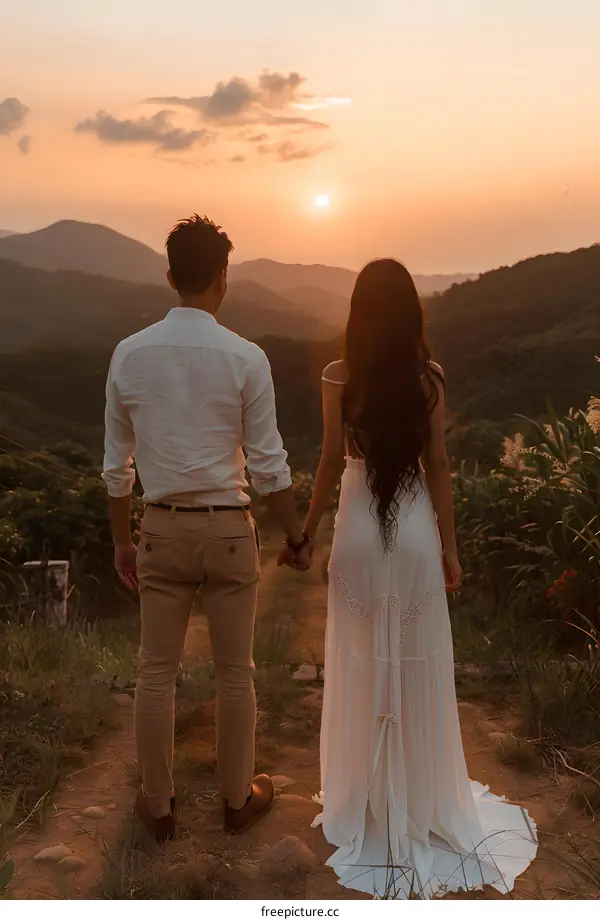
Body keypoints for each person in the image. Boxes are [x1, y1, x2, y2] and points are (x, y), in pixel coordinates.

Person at [280, 259, 538, 898]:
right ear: (411, 313)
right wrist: (450, 549)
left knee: (364, 660)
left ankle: (365, 801)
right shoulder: (431, 380)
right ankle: (420, 801)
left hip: (360, 533)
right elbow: (440, 465)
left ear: (358, 313)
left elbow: (326, 461)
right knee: (417, 662)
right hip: (417, 531)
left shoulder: (339, 377)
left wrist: (305, 530)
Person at [102, 214, 311, 842]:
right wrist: (296, 537)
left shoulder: (128, 354)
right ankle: (236, 800)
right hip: (227, 531)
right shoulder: (248, 357)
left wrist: (121, 540)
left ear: (169, 275)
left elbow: (117, 469)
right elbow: (269, 467)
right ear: (223, 277)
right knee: (234, 673)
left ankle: (159, 805)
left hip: (161, 530)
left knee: (155, 671)